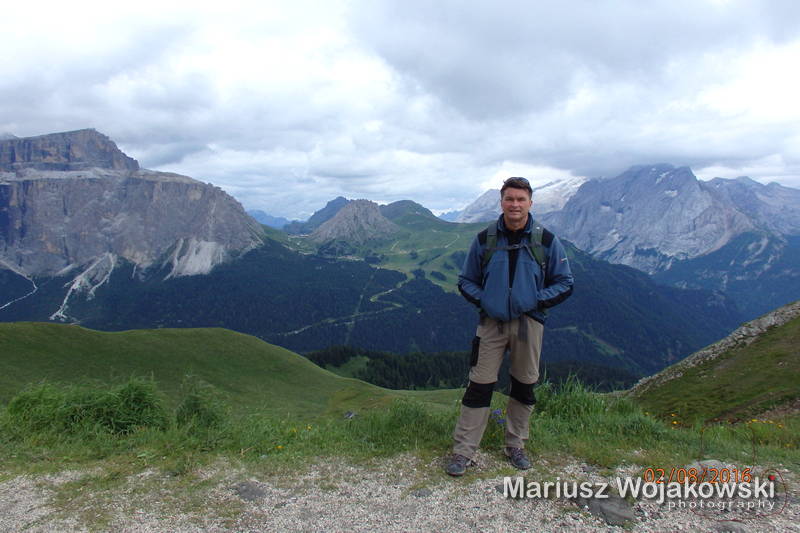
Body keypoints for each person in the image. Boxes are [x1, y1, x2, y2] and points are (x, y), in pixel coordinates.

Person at [446, 176, 574, 476]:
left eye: (520, 199)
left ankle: (516, 445)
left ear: (530, 202)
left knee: (524, 385)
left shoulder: (546, 241)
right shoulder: (484, 239)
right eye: (509, 199)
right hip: (491, 324)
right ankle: (463, 451)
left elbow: (565, 282)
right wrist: (487, 302)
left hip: (529, 324)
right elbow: (466, 280)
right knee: (479, 386)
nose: (514, 204)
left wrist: (535, 302)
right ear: (501, 202)